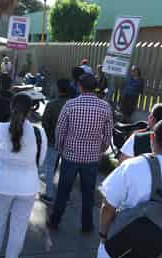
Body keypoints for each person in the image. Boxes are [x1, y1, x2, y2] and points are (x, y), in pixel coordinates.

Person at [0, 93, 47, 258]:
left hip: (3, 183)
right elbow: (40, 161)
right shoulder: (38, 132)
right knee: (19, 226)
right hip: (28, 186)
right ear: (30, 111)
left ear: (11, 108)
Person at [95, 118, 162, 258]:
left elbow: (108, 206)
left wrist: (103, 235)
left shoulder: (134, 165)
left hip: (117, 249)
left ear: (152, 138)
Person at [48, 74, 113, 233]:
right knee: (89, 193)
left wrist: (60, 147)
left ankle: (55, 221)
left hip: (70, 155)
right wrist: (101, 150)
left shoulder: (70, 105)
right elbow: (108, 133)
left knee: (63, 190)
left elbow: (60, 130)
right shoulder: (105, 107)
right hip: (91, 158)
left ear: (79, 86)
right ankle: (87, 225)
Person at [39, 79, 72, 205]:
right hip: (69, 142)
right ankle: (65, 196)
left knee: (50, 167)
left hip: (53, 140)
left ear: (58, 89)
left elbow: (45, 123)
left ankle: (49, 194)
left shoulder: (52, 104)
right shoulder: (72, 105)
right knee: (66, 169)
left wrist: (48, 137)